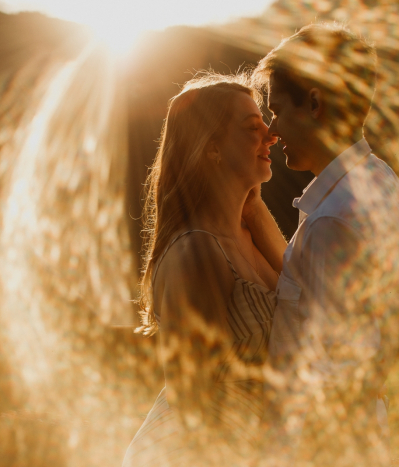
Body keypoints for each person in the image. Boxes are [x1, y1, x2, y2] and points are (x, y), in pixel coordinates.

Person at [244, 23, 399, 466]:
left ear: (315, 103)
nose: (272, 129)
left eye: (277, 110)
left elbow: (333, 372)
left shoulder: (335, 218)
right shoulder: (380, 181)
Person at [122, 73, 286, 467]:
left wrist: (255, 209)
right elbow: (192, 401)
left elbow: (304, 293)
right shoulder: (194, 252)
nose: (271, 134)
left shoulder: (251, 237)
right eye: (252, 127)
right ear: (212, 148)